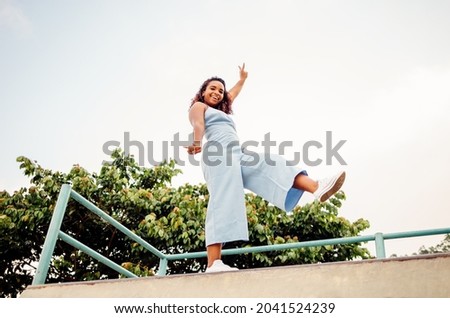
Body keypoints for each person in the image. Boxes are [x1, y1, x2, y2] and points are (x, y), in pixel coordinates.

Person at [186, 63, 345, 273]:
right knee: (223, 199)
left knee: (270, 163)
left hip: (237, 153)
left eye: (220, 91)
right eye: (212, 89)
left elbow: (232, 94)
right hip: (217, 154)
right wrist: (197, 142)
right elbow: (198, 125)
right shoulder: (199, 107)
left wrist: (242, 80)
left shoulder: (223, 108)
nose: (217, 93)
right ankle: (213, 263)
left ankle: (316, 187)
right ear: (203, 92)